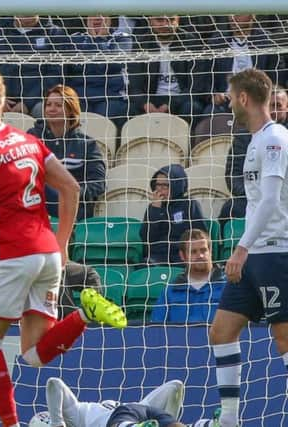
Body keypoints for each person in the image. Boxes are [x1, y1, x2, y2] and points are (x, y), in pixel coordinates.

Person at [0, 68, 126, 427]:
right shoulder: (29, 141)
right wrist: (63, 244)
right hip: (48, 252)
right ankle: (84, 312)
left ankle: (10, 424)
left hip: (12, 253)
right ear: (3, 104)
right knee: (34, 355)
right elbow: (72, 188)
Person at [209, 68, 288, 427]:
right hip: (255, 254)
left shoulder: (275, 139)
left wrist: (240, 247)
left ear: (244, 98)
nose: (227, 100)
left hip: (276, 252)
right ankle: (229, 419)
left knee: (284, 337)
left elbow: (271, 201)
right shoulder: (256, 140)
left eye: (230, 94)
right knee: (221, 331)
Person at [27, 85, 106, 220]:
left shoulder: (87, 144)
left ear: (71, 109)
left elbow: (98, 183)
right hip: (37, 206)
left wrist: (71, 191)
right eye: (49, 104)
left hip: (73, 210)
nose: (52, 109)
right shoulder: (32, 137)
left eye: (58, 105)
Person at [218, 85, 288, 229]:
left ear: (286, 108)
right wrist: (254, 194)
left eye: (278, 106)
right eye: (270, 105)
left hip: (284, 197)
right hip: (251, 197)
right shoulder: (243, 136)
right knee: (230, 209)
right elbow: (232, 174)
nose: (273, 110)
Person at [0, 16, 72, 117]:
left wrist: (28, 103)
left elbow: (56, 75)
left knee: (45, 110)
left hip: (38, 101)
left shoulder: (54, 34)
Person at [31, 378, 219, 427]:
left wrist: (58, 423)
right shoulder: (81, 410)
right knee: (175, 386)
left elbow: (54, 383)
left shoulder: (74, 414)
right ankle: (210, 424)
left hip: (121, 419)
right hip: (140, 408)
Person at [127, 15, 210, 125]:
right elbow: (134, 86)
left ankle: (186, 142)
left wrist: (169, 105)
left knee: (192, 108)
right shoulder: (140, 44)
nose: (166, 25)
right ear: (150, 21)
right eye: (159, 20)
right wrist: (145, 104)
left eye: (171, 20)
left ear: (178, 21)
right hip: (151, 99)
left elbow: (196, 87)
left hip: (181, 99)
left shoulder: (192, 43)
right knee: (129, 109)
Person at [68, 15, 132, 128]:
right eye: (93, 14)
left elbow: (111, 65)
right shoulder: (74, 39)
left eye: (102, 14)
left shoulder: (122, 39)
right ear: (87, 19)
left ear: (110, 19)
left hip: (110, 96)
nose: (97, 18)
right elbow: (72, 68)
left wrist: (98, 39)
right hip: (80, 96)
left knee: (103, 123)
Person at [151, 229, 226, 324]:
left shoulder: (228, 286)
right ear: (182, 256)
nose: (200, 255)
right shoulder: (170, 292)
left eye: (203, 250)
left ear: (210, 251)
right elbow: (157, 330)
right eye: (193, 252)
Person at [140, 164, 208, 265]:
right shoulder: (153, 207)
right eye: (158, 185)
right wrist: (155, 210)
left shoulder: (190, 204)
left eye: (165, 185)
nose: (160, 189)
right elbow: (147, 239)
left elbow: (200, 234)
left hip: (184, 255)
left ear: (176, 185)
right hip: (158, 256)